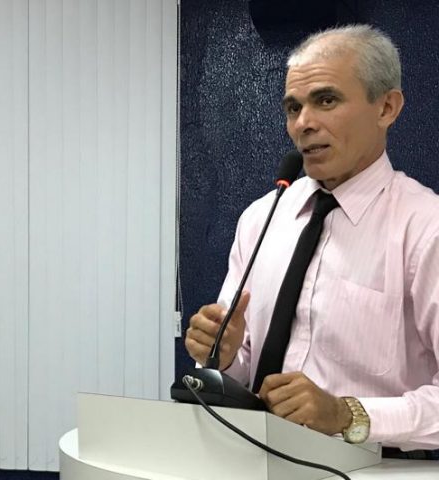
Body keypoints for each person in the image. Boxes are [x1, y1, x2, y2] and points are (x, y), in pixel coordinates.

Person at [185, 24, 439, 459]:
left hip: (371, 467)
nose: (303, 123)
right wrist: (222, 355)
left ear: (386, 108)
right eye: (293, 107)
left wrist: (346, 414)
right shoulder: (261, 217)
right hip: (251, 458)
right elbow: (241, 366)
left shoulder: (425, 227)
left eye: (326, 100)